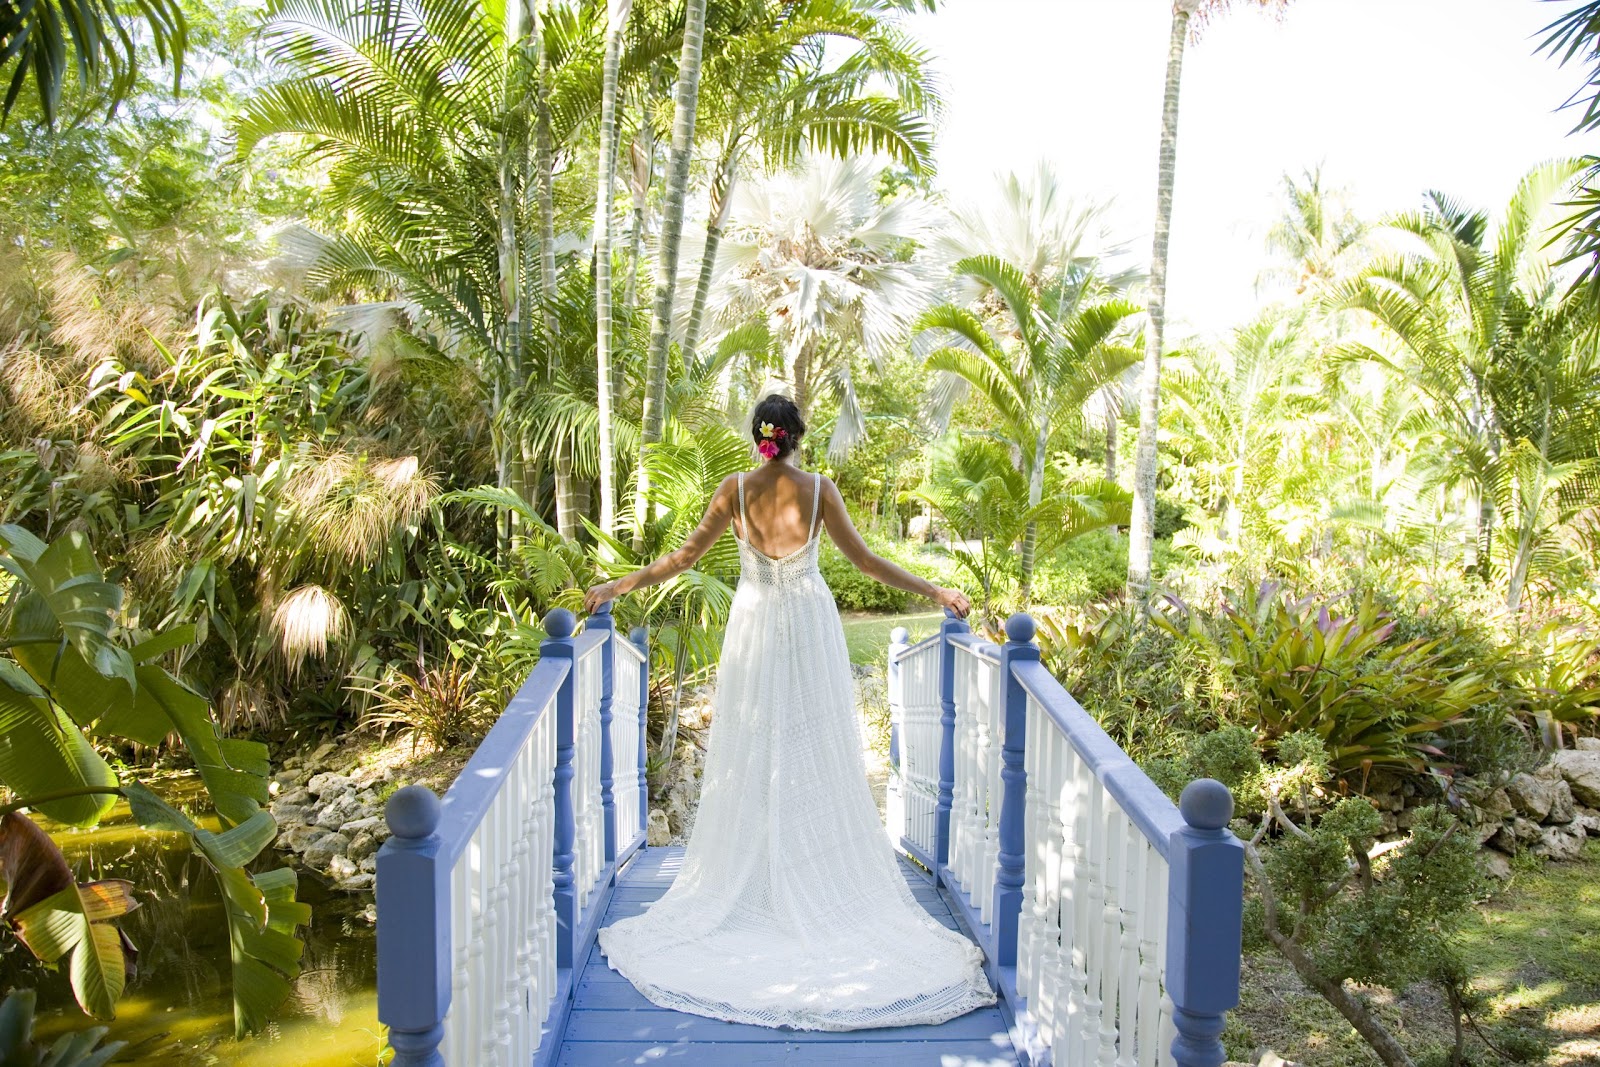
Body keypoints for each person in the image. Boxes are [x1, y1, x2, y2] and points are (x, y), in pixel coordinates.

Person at [582, 393, 995, 1031]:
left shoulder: (734, 488)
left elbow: (683, 558)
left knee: (755, 747)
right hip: (808, 624)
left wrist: (618, 584)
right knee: (814, 747)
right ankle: (803, 875)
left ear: (759, 438)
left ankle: (764, 880)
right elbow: (866, 562)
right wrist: (934, 589)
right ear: (797, 437)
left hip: (752, 625)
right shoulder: (820, 489)